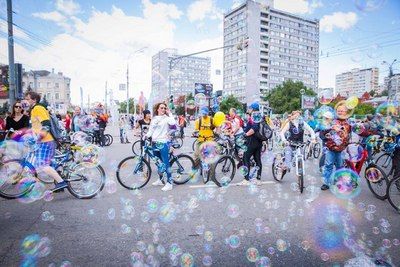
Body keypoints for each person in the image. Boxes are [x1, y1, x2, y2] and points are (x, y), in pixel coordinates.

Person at [24, 91, 67, 191]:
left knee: (42, 165)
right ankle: (58, 182)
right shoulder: (34, 109)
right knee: (48, 164)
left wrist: (37, 138)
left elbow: (46, 125)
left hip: (45, 141)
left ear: (34, 100)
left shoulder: (38, 108)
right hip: (43, 141)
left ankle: (61, 182)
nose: (26, 101)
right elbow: (37, 126)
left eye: (27, 99)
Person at [319, 103, 351, 190]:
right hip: (331, 148)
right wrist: (331, 129)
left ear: (346, 112)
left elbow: (348, 135)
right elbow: (322, 132)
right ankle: (326, 183)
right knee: (328, 165)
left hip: (341, 149)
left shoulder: (349, 123)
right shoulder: (332, 121)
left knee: (340, 166)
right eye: (338, 111)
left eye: (342, 111)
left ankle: (339, 183)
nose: (340, 112)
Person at [146, 103, 176, 191]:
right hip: (154, 143)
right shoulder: (154, 119)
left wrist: (169, 113)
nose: (163, 109)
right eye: (162, 108)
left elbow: (173, 123)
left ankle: (169, 183)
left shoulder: (166, 118)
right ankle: (161, 179)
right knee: (158, 162)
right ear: (157, 109)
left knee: (166, 163)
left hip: (163, 143)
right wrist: (145, 136)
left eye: (164, 108)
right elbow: (151, 131)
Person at [238, 103, 263, 186]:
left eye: (250, 108)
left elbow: (255, 128)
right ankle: (258, 179)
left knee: (246, 158)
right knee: (257, 159)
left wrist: (246, 134)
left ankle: (246, 179)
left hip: (252, 141)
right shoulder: (261, 116)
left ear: (253, 108)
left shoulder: (255, 115)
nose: (248, 109)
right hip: (259, 141)